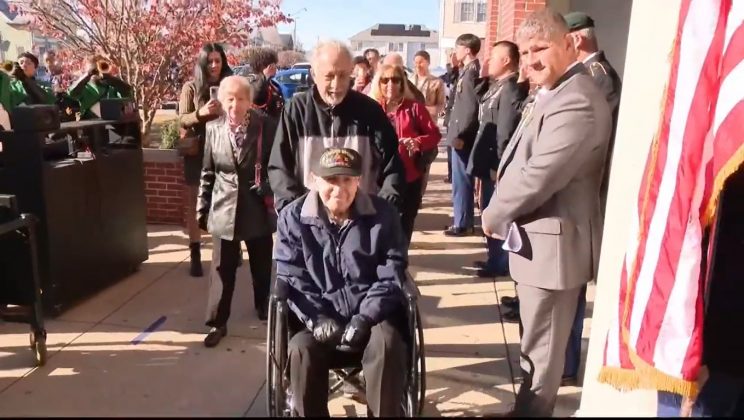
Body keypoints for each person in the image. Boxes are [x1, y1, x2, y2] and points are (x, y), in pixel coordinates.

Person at [481, 9, 611, 417]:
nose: (531, 58)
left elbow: (540, 175)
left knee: (542, 361)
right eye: (524, 50)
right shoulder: (553, 91)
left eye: (541, 48)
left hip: (553, 252)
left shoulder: (579, 100)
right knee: (534, 354)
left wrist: (492, 213)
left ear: (570, 44)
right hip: (537, 247)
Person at [274, 147, 408, 417]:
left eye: (347, 180)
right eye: (331, 180)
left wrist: (365, 318)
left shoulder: (382, 215)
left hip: (371, 320)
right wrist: (317, 318)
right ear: (314, 180)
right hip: (319, 323)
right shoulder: (293, 218)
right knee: (301, 350)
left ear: (359, 180)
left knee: (389, 343)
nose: (339, 189)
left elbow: (392, 271)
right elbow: (292, 276)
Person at [268, 40, 405, 214]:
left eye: (342, 75)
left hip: (363, 221)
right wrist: (293, 213)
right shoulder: (297, 110)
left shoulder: (370, 111)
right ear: (314, 74)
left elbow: (392, 167)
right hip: (309, 221)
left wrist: (384, 212)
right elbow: (280, 166)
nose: (336, 84)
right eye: (329, 76)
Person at [561, 11, 624, 387]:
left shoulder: (599, 79)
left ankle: (567, 364)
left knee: (572, 280)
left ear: (577, 40)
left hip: (583, 195)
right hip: (573, 192)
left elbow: (589, 142)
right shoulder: (585, 76)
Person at [197, 75, 277, 346]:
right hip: (223, 208)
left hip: (256, 206)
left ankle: (264, 305)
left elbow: (278, 167)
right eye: (229, 99)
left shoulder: (266, 126)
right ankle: (217, 322)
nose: (235, 104)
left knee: (262, 264)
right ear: (221, 101)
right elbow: (208, 172)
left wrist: (267, 186)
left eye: (240, 98)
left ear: (249, 101)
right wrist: (202, 207)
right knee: (221, 269)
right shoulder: (214, 129)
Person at [469, 40, 526, 278]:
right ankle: (494, 258)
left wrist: (497, 166)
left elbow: (505, 131)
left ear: (506, 61)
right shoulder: (497, 86)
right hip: (487, 163)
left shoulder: (510, 88)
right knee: (487, 211)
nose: (488, 61)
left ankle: (499, 263)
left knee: (496, 213)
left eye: (493, 57)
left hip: (496, 166)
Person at [368, 64, 441, 244]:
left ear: (403, 83)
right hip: (378, 177)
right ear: (379, 83)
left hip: (409, 175)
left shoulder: (414, 108)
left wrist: (417, 142)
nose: (390, 84)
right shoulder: (371, 108)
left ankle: (399, 262)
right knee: (379, 224)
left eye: (396, 80)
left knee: (404, 223)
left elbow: (434, 135)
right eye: (385, 80)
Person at [178, 43, 233, 277]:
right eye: (209, 61)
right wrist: (201, 113)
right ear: (202, 63)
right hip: (198, 151)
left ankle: (231, 252)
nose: (213, 65)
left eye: (218, 61)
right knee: (195, 206)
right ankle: (196, 255)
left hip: (225, 149)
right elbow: (182, 119)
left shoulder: (230, 86)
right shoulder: (191, 87)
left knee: (228, 201)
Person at [444, 34, 481, 237]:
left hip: (462, 138)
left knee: (462, 181)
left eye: (457, 48)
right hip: (458, 135)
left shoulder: (471, 73)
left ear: (467, 49)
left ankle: (463, 222)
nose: (455, 52)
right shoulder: (466, 71)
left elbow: (469, 109)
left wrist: (461, 135)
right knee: (459, 181)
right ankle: (461, 219)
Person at [68, 54, 133, 119]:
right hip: (91, 123)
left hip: (114, 122)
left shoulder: (112, 85)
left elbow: (127, 94)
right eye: (95, 70)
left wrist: (112, 78)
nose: (98, 72)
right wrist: (87, 74)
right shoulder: (85, 87)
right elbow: (72, 93)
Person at [244, 47, 285, 120]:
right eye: (273, 64)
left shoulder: (272, 83)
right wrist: (266, 76)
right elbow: (256, 96)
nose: (276, 67)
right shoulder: (255, 83)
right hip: (263, 126)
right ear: (265, 66)